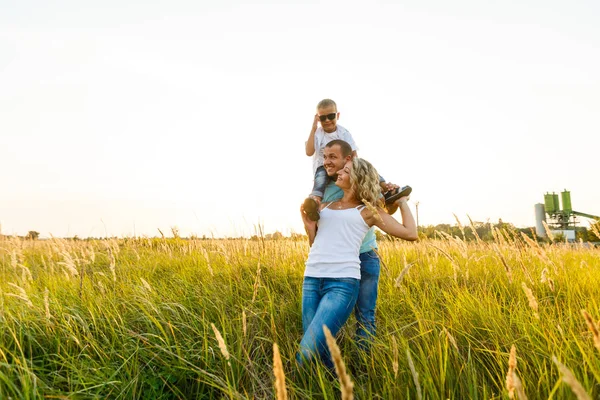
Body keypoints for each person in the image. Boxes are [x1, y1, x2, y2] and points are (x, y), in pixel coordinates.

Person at [298, 156, 417, 368]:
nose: (339, 173)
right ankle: (337, 386)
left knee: (305, 353)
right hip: (312, 279)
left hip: (341, 284)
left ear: (357, 177)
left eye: (345, 170)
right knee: (319, 349)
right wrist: (309, 228)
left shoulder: (368, 212)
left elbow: (410, 233)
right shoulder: (325, 205)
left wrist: (402, 202)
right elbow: (316, 245)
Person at [319, 139, 407, 351]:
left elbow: (382, 213)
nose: (328, 162)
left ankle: (364, 367)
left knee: (365, 315)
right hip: (335, 260)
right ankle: (331, 362)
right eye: (325, 157)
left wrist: (395, 199)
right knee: (330, 317)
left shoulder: (365, 178)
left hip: (365, 255)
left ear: (347, 159)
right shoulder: (323, 186)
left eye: (333, 158)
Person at [303, 98, 411, 221]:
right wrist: (313, 128)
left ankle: (386, 188)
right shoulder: (318, 133)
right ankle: (314, 201)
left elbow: (354, 156)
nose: (327, 120)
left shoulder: (343, 133)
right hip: (323, 167)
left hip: (345, 166)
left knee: (364, 166)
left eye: (331, 116)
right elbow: (309, 152)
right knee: (320, 180)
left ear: (338, 115)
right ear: (318, 118)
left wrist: (358, 169)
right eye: (323, 118)